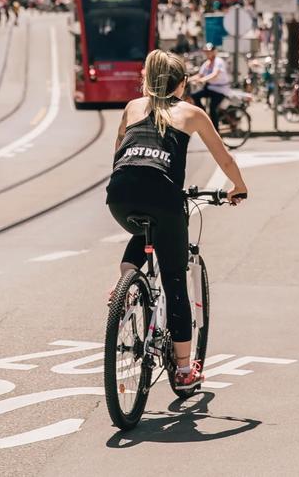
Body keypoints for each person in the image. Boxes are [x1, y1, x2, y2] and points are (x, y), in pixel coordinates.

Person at [106, 49, 248, 390]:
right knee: (174, 280)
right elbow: (224, 157)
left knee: (144, 227)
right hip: (163, 197)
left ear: (147, 81)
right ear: (182, 84)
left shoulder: (133, 107)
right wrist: (238, 187)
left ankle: (125, 284)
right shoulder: (192, 112)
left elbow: (117, 150)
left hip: (120, 195)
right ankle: (184, 370)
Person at [189, 43, 232, 129]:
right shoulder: (207, 63)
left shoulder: (218, 61)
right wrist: (188, 79)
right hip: (210, 88)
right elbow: (199, 75)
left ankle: (216, 131)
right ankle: (204, 115)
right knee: (194, 96)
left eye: (210, 52)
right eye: (206, 52)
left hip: (220, 90)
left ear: (214, 52)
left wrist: (202, 80)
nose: (208, 54)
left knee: (213, 108)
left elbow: (215, 74)